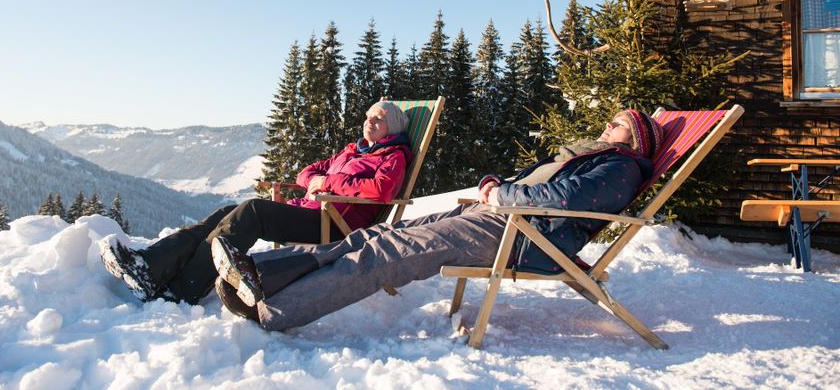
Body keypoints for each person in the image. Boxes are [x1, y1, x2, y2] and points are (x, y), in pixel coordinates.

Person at [210, 109, 663, 331]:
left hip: (523, 234)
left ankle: (270, 310)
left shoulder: (621, 167)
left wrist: (501, 192)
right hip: (499, 216)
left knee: (389, 254)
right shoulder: (598, 156)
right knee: (378, 235)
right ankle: (262, 275)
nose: (608, 126)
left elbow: (563, 200)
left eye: (619, 124)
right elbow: (537, 184)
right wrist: (495, 186)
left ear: (637, 139)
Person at [100, 101, 413, 305]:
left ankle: (183, 289)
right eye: (368, 116)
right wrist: (317, 181)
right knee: (227, 213)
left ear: (393, 128)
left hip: (333, 224)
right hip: (308, 210)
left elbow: (382, 189)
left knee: (252, 212)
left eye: (379, 119)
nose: (370, 122)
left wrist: (328, 183)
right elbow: (307, 173)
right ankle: (151, 268)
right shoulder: (352, 151)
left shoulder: (393, 156)